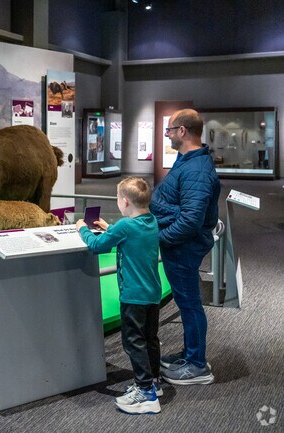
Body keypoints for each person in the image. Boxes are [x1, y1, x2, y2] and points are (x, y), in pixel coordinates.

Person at [76, 176, 162, 415]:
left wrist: (82, 228)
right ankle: (153, 382)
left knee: (133, 342)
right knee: (150, 339)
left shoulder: (125, 227)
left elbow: (96, 246)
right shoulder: (151, 220)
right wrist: (109, 228)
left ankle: (146, 394)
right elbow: (130, 234)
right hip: (151, 294)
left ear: (124, 202)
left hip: (133, 297)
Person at [150, 108, 220, 386]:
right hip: (179, 245)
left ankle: (197, 365)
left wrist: (160, 237)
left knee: (190, 305)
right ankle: (191, 354)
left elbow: (190, 220)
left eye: (169, 129)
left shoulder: (196, 169)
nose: (167, 134)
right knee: (187, 302)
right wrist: (167, 212)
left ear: (182, 131)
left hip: (183, 248)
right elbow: (180, 209)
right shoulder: (188, 161)